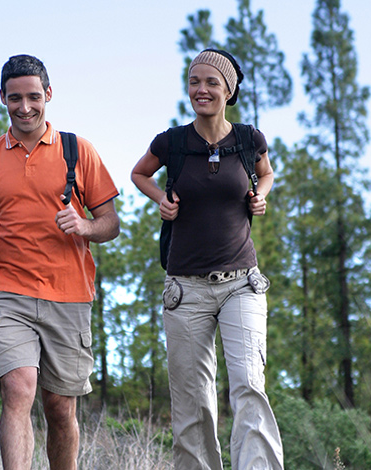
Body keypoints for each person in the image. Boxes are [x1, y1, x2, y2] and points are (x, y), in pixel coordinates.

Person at [0, 54, 120, 470]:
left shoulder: (76, 151)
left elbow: (110, 223)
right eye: (15, 98)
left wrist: (85, 227)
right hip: (6, 292)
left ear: (48, 94)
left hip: (68, 296)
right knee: (18, 388)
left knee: (59, 408)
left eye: (33, 97)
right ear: (2, 98)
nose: (25, 107)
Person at [131, 49, 284, 469]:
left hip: (242, 283)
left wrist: (260, 196)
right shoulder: (172, 142)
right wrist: (162, 199)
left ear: (228, 90)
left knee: (249, 385)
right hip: (186, 288)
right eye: (194, 81)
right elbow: (139, 173)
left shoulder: (248, 140)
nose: (201, 89)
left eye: (212, 82)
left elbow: (266, 172)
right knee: (193, 401)